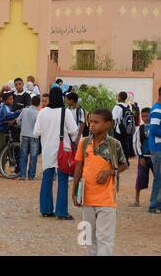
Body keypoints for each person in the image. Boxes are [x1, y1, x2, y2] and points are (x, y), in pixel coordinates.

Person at [72, 109, 128, 256]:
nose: (91, 125)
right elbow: (78, 166)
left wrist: (110, 171)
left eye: (96, 122)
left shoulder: (114, 145)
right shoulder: (84, 143)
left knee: (105, 239)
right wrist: (74, 191)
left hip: (107, 201)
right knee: (88, 238)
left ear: (108, 124)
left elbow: (124, 164)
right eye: (90, 121)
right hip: (87, 199)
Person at [34, 87, 78, 220]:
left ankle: (45, 209)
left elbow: (36, 132)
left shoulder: (42, 113)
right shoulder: (66, 112)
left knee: (47, 178)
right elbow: (73, 130)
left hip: (47, 150)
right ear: (62, 97)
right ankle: (61, 212)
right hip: (63, 150)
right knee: (63, 180)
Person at [0, 91, 20, 175]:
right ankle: (0, 170)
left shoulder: (4, 106)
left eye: (12, 99)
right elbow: (8, 115)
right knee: (1, 151)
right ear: (4, 100)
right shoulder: (5, 107)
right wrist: (19, 112)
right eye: (9, 99)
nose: (11, 101)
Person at [132, 107, 154, 207]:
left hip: (155, 158)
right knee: (140, 178)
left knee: (158, 179)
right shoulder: (139, 129)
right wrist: (140, 156)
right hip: (144, 158)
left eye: (147, 116)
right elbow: (136, 144)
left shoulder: (155, 127)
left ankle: (155, 200)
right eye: (143, 116)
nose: (145, 118)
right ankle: (136, 200)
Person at [17, 96, 40, 181]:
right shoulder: (38, 113)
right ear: (38, 104)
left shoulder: (24, 110)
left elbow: (18, 120)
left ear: (31, 102)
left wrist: (22, 126)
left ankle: (22, 175)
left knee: (23, 155)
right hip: (34, 136)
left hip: (24, 135)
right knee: (33, 157)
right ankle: (31, 176)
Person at [148, 88, 161, 214]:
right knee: (159, 178)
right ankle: (154, 206)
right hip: (158, 149)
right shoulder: (157, 110)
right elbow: (154, 129)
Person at [112, 92, 132, 164]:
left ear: (120, 97)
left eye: (118, 96)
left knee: (117, 145)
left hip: (118, 130)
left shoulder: (117, 107)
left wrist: (112, 128)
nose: (117, 98)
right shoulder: (129, 106)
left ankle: (119, 162)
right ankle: (126, 161)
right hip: (126, 129)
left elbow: (113, 119)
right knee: (125, 145)